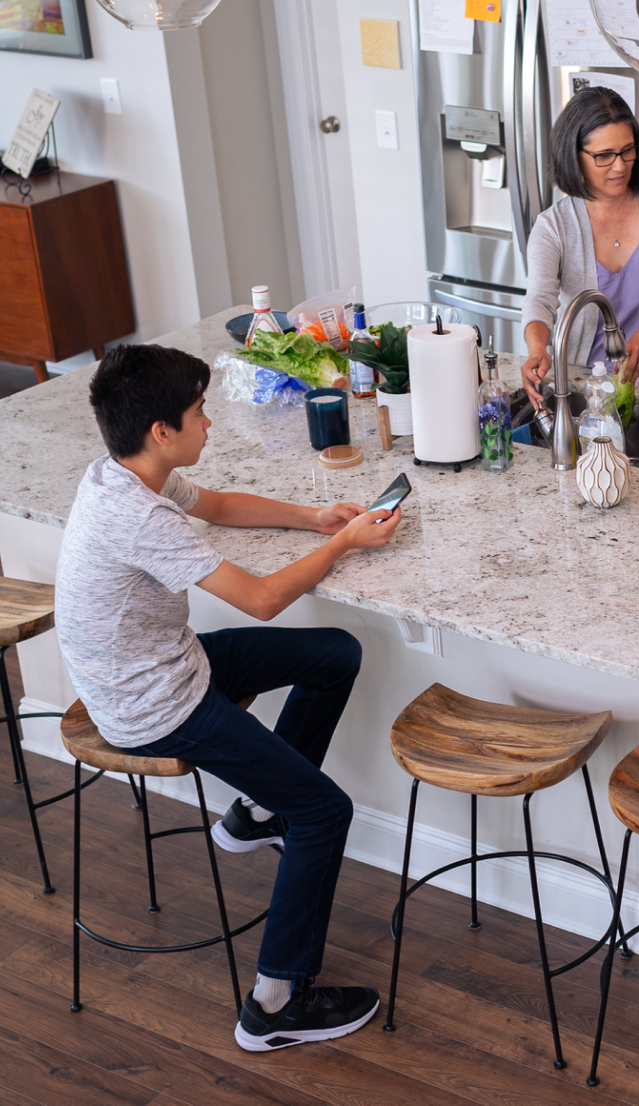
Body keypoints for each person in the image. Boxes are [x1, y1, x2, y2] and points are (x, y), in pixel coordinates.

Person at [54, 344, 402, 1051]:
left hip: (164, 665)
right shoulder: (138, 516)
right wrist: (350, 546)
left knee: (336, 654)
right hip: (153, 704)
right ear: (161, 432)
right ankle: (275, 1003)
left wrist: (316, 520)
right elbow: (265, 599)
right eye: (198, 412)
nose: (208, 423)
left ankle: (259, 814)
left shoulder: (128, 476)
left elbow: (215, 505)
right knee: (326, 811)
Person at [520, 86, 639, 399]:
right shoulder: (552, 226)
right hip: (587, 393)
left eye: (628, 150)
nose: (621, 166)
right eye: (604, 156)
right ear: (574, 156)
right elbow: (540, 301)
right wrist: (536, 349)